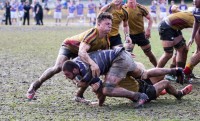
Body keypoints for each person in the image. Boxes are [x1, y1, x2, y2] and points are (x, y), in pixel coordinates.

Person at [62, 47, 191, 108]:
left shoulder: (91, 72)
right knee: (145, 73)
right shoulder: (79, 61)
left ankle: (178, 93)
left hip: (143, 90)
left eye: (68, 75)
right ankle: (175, 71)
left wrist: (99, 103)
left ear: (75, 69)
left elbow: (101, 92)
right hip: (128, 66)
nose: (67, 78)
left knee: (165, 82)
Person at [26, 12, 113, 100]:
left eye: (111, 24)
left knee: (86, 73)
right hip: (69, 46)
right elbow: (82, 52)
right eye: (107, 24)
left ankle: (79, 96)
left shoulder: (106, 41)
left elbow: (104, 59)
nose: (110, 26)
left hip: (81, 53)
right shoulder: (93, 33)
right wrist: (93, 64)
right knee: (58, 67)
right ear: (98, 24)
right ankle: (35, 86)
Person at [123, 0, 157, 67]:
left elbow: (150, 18)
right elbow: (124, 24)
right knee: (126, 55)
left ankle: (158, 68)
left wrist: (148, 29)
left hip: (141, 34)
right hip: (130, 36)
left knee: (149, 53)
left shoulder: (141, 8)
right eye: (130, 2)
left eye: (133, 2)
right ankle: (126, 74)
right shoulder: (123, 9)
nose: (131, 3)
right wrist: (126, 35)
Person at [183, 0, 200, 82]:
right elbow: (196, 22)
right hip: (199, 34)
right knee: (198, 54)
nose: (193, 1)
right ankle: (186, 73)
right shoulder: (196, 10)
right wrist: (192, 37)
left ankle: (186, 73)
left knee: (198, 53)